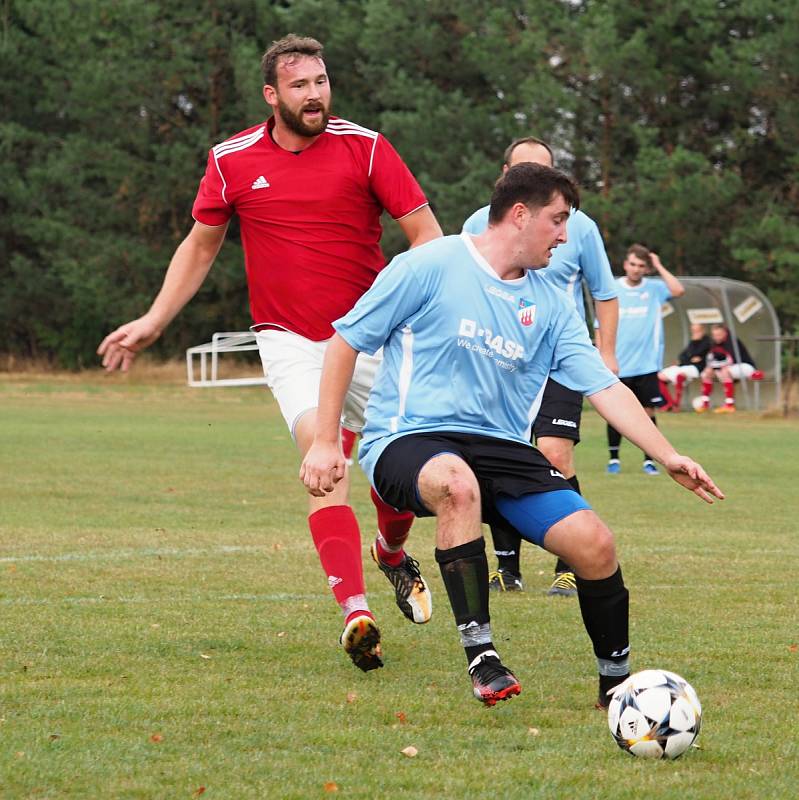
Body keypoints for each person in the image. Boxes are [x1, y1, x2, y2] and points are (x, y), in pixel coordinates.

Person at [300, 164, 723, 707]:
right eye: (558, 220)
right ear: (519, 215)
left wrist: (668, 455)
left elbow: (604, 385)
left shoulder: (552, 303)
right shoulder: (430, 264)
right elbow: (345, 343)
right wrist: (324, 441)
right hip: (408, 437)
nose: (565, 236)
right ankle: (483, 656)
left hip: (500, 448)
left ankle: (616, 685)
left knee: (594, 543)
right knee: (457, 484)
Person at [97, 34, 443, 673]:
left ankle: (392, 554)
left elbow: (426, 237)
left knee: (397, 480)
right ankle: (356, 613)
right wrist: (152, 320)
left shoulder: (365, 147)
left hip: (372, 337)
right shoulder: (231, 160)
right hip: (289, 340)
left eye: (321, 81)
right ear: (271, 95)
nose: (315, 95)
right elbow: (200, 247)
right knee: (324, 453)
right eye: (300, 85)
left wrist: (422, 317)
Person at [463, 136, 619, 598]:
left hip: (557, 360)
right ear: (504, 175)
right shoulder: (478, 223)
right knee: (498, 456)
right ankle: (505, 565)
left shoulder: (578, 228)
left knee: (554, 453)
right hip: (498, 357)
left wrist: (605, 354)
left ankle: (569, 563)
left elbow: (604, 294)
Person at [602, 244, 685, 476]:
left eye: (641, 265)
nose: (636, 269)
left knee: (648, 413)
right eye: (632, 264)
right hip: (618, 364)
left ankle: (649, 461)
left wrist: (658, 264)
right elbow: (601, 324)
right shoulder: (612, 289)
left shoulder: (655, 289)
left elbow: (678, 290)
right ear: (625, 265)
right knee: (615, 414)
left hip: (647, 365)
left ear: (646, 268)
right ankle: (614, 458)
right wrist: (603, 354)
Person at [696, 324, 758, 413]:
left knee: (725, 371)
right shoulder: (714, 343)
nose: (716, 337)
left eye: (719, 335)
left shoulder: (732, 342)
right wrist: (710, 368)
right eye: (714, 335)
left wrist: (716, 367)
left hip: (745, 367)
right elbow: (711, 359)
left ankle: (729, 405)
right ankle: (705, 404)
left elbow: (730, 360)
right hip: (728, 368)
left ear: (725, 333)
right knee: (707, 373)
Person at [658, 323, 711, 411]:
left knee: (680, 375)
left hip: (696, 368)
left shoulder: (707, 341)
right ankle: (669, 403)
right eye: (693, 330)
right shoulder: (692, 341)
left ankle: (677, 404)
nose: (695, 332)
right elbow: (682, 356)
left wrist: (690, 355)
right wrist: (689, 358)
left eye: (697, 330)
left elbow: (697, 354)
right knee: (658, 376)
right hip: (684, 366)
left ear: (702, 330)